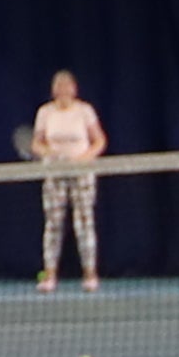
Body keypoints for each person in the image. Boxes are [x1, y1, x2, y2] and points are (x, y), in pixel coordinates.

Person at [27, 69, 107, 294]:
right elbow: (36, 144)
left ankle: (90, 274)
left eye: (67, 86)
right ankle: (50, 275)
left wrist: (82, 159)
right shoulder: (45, 112)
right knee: (53, 224)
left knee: (84, 223)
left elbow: (99, 141)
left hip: (82, 174)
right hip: (54, 173)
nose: (62, 90)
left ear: (74, 89)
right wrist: (51, 154)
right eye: (58, 86)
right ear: (53, 90)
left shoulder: (85, 111)